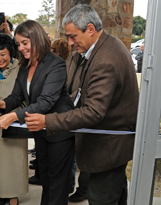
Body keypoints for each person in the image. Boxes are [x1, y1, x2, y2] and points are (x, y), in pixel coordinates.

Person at [25, 5, 139, 205]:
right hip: (112, 146)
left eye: (72, 36)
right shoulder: (106, 45)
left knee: (100, 198)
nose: (70, 43)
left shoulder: (105, 59)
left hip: (109, 147)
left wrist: (47, 121)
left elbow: (94, 112)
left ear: (90, 29)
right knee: (117, 195)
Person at [0, 20, 75, 205]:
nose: (21, 48)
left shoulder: (55, 63)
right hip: (40, 130)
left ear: (36, 38)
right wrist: (2, 103)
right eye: (18, 44)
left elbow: (46, 102)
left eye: (25, 43)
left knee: (57, 183)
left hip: (59, 131)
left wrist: (13, 116)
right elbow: (17, 96)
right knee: (46, 179)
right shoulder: (25, 65)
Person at [0, 33, 28, 205]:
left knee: (16, 161)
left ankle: (13, 198)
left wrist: (13, 115)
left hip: (16, 121)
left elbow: (25, 98)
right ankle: (6, 194)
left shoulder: (21, 69)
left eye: (3, 54)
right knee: (3, 164)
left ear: (10, 52)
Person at [65, 48, 90, 202]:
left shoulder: (95, 56)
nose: (72, 42)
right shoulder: (74, 55)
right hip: (71, 107)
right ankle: (69, 186)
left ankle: (84, 189)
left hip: (85, 112)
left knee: (85, 152)